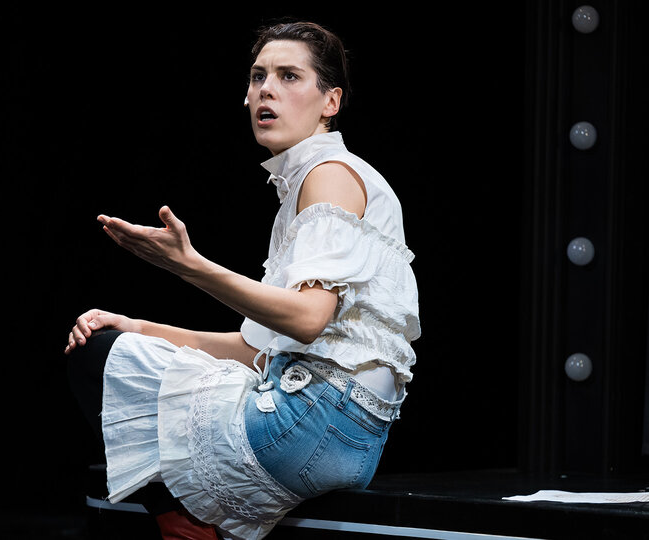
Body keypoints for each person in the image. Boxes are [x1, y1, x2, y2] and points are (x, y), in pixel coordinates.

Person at [65, 21, 421, 540]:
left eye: (289, 76)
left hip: (311, 424)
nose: (266, 90)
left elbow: (308, 319)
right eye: (258, 77)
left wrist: (189, 265)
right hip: (350, 441)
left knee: (94, 357)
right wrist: (135, 327)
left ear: (331, 101)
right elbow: (252, 350)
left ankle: (185, 525)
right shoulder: (310, 187)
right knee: (110, 343)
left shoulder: (328, 173)